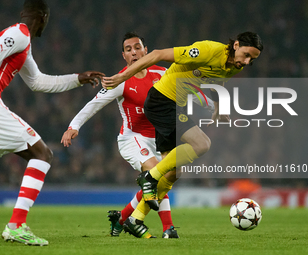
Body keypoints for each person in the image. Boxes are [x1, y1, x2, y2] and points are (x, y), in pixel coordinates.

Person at [102, 31, 263, 237]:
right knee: (202, 144)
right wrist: (123, 76)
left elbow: (216, 80)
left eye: (252, 59)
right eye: (247, 54)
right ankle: (150, 176)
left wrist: (217, 104)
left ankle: (134, 218)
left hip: (175, 105)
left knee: (173, 173)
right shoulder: (207, 50)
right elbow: (158, 54)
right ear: (236, 45)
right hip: (161, 100)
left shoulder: (233, 65)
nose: (247, 61)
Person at [61, 32, 215, 238]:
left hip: (160, 138)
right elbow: (94, 104)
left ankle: (122, 217)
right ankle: (168, 228)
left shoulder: (162, 73)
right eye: (128, 50)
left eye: (137, 47)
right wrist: (74, 126)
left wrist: (213, 106)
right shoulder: (121, 80)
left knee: (172, 174)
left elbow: (191, 91)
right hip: (133, 138)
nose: (133, 52)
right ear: (124, 56)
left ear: (146, 51)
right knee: (155, 172)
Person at [0, 0, 104, 246]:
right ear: (44, 17)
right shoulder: (19, 32)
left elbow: (38, 82)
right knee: (42, 154)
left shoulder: (23, 44)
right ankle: (16, 225)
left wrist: (77, 78)